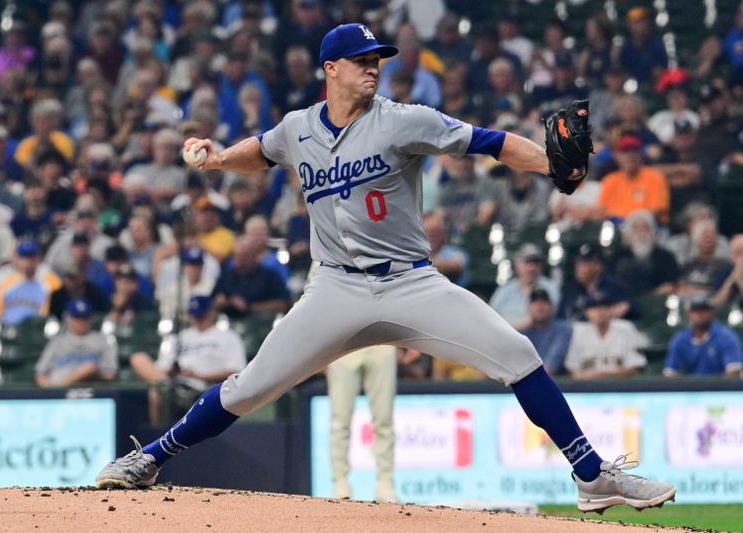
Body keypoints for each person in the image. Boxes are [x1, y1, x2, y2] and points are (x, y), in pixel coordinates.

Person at [97, 23, 675, 513]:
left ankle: (592, 475)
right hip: (334, 288)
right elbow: (265, 147)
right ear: (331, 69)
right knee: (250, 388)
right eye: (361, 61)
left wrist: (551, 163)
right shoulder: (299, 127)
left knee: (518, 354)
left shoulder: (404, 120)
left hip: (409, 282)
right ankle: (149, 459)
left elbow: (493, 142)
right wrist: (221, 157)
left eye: (378, 61)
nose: (373, 69)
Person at [131, 295, 247, 418]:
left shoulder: (228, 336)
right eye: (194, 316)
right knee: (138, 358)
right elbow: (161, 366)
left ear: (211, 313)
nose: (197, 319)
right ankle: (165, 386)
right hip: (174, 381)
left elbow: (236, 371)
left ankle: (165, 391)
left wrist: (200, 376)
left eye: (201, 316)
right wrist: (171, 370)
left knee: (156, 393)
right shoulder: (180, 336)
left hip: (200, 386)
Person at [327, 345, 398, 503]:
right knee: (340, 421)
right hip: (344, 342)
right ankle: (340, 482)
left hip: (382, 342)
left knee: (384, 420)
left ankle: (385, 484)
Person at [35, 298, 117, 388]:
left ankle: (61, 387)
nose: (81, 322)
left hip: (91, 392)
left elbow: (110, 374)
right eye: (77, 317)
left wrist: (89, 374)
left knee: (89, 367)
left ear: (91, 318)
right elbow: (40, 374)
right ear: (68, 318)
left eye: (85, 317)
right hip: (56, 393)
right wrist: (49, 391)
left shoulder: (103, 341)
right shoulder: (57, 342)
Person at [564, 291, 647, 379]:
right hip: (588, 387)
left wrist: (601, 375)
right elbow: (571, 369)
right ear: (586, 312)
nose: (600, 311)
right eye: (594, 307)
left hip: (620, 386)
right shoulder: (578, 331)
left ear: (612, 309)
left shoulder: (627, 328)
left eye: (605, 306)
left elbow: (635, 366)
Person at [664, 294, 743, 378]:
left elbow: (734, 373)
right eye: (695, 310)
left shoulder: (726, 336)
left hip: (720, 389)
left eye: (704, 310)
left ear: (712, 312)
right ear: (688, 314)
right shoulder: (680, 339)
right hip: (689, 390)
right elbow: (670, 374)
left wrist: (710, 387)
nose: (700, 314)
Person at [0, 240, 62, 326]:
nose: (27, 262)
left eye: (31, 258)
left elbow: (54, 312)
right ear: (17, 260)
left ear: (38, 258)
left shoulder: (51, 282)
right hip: (8, 330)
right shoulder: (7, 282)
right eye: (24, 258)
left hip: (37, 329)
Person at [489, 243, 559, 329]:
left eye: (535, 263)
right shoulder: (505, 290)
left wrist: (510, 330)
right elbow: (491, 318)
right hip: (504, 338)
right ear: (517, 265)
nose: (531, 268)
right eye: (527, 262)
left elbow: (541, 319)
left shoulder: (549, 287)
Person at [520, 288, 572, 375]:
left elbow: (549, 368)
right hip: (525, 381)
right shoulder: (522, 331)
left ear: (551, 306)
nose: (539, 306)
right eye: (535, 302)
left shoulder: (562, 328)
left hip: (557, 383)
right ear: (528, 307)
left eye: (544, 302)